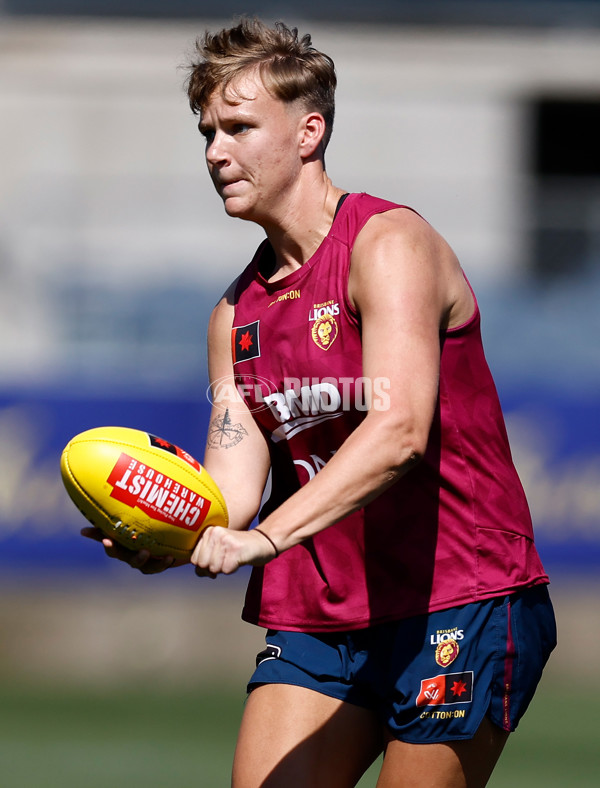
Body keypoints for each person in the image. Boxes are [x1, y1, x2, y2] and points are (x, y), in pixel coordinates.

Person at [82, 18, 556, 788]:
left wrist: (263, 541)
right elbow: (232, 492)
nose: (214, 152)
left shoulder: (389, 245)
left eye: (238, 127)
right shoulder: (234, 317)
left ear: (309, 132)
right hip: (322, 610)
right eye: (206, 131)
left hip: (461, 593)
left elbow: (399, 430)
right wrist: (168, 531)